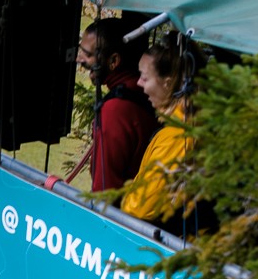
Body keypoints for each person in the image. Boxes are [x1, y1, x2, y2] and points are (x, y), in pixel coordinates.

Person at [116, 42, 210, 236]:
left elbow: (141, 206)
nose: (138, 83)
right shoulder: (191, 122)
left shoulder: (177, 136)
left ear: (168, 83)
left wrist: (124, 199)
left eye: (144, 77)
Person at [74, 16, 158, 195]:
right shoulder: (142, 92)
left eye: (88, 55)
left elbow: (104, 189)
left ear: (113, 61)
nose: (79, 60)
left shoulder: (115, 111)